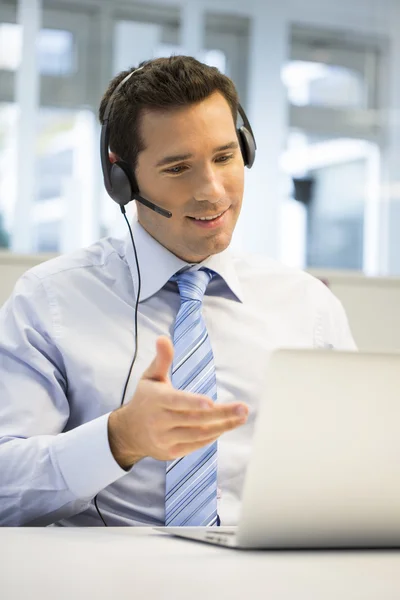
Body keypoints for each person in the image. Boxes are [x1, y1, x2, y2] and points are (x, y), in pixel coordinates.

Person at [0, 56, 356, 527]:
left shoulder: (307, 307)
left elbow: (358, 464)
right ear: (121, 178)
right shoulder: (49, 301)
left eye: (225, 157)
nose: (211, 191)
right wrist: (118, 439)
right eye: (178, 168)